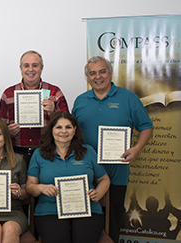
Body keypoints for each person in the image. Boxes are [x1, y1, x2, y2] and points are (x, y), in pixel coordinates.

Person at [72, 56, 153, 242]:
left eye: (102, 71)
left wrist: (137, 149)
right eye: (92, 73)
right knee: (84, 223)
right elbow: (70, 132)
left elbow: (146, 127)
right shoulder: (80, 101)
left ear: (110, 73)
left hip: (117, 173)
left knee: (113, 220)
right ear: (87, 77)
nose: (98, 77)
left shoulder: (129, 98)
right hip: (86, 174)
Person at [26, 111, 110, 243]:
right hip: (50, 211)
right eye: (58, 127)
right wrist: (41, 188)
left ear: (75, 130)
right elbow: (30, 186)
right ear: (51, 130)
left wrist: (98, 193)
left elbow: (104, 179)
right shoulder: (39, 154)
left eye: (68, 127)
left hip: (87, 210)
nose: (63, 131)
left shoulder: (88, 151)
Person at [0, 50, 68, 165]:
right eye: (26, 65)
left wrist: (53, 113)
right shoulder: (8, 94)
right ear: (21, 68)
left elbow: (68, 126)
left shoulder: (55, 92)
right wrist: (7, 132)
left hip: (48, 152)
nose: (31, 69)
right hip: (16, 153)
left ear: (41, 68)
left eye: (35, 65)